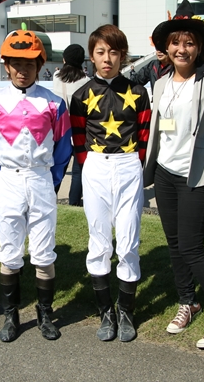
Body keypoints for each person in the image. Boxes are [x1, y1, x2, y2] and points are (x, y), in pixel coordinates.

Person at [143, 0, 204, 350]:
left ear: (199, 48)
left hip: (198, 174)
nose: (181, 49)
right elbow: (160, 127)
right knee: (174, 245)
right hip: (165, 173)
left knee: (192, 247)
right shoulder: (161, 81)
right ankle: (188, 301)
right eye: (175, 43)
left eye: (188, 43)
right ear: (166, 48)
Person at [0, 28, 72, 342]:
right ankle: (11, 316)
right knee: (10, 251)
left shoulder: (54, 102)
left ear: (40, 65)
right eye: (16, 63)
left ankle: (45, 315)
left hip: (41, 178)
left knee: (44, 252)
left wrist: (52, 181)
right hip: (8, 179)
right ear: (6, 65)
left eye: (29, 63)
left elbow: (63, 147)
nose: (22, 69)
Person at [69, 24, 151, 343]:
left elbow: (144, 135)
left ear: (123, 56)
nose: (107, 59)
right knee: (100, 242)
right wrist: (89, 165)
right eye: (101, 52)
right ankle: (106, 313)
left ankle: (126, 311)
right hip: (95, 167)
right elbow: (78, 138)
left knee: (128, 242)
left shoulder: (139, 93)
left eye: (114, 52)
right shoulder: (80, 95)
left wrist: (134, 165)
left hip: (129, 165)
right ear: (92, 56)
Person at [52, 43, 89, 207]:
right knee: (78, 170)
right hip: (79, 130)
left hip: (60, 131)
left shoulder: (56, 77)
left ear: (64, 59)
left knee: (58, 167)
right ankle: (74, 202)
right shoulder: (86, 81)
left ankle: (51, 196)